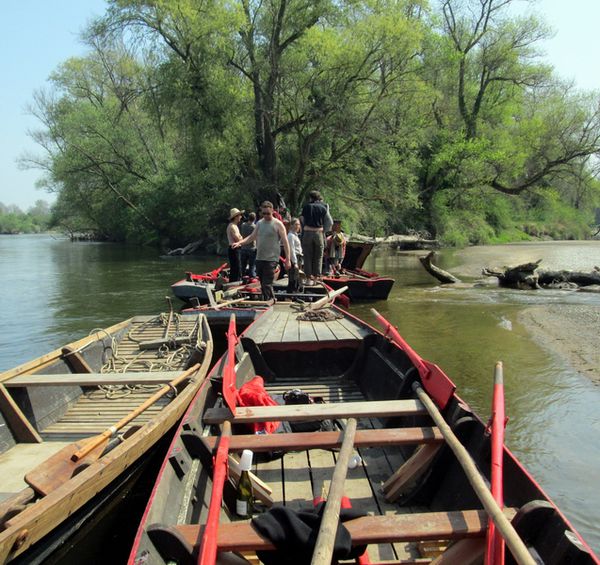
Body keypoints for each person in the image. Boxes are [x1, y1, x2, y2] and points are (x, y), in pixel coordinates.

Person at [233, 201, 291, 302]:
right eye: (264, 213)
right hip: (260, 257)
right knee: (263, 283)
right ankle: (269, 300)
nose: (266, 215)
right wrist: (240, 243)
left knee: (267, 283)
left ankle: (269, 301)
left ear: (272, 211)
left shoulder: (278, 224)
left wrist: (288, 260)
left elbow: (285, 242)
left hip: (272, 258)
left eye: (268, 213)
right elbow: (252, 237)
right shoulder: (259, 223)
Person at [299, 190, 328, 284]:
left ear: (310, 198)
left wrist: (304, 227)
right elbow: (329, 222)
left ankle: (308, 279)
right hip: (318, 233)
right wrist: (324, 229)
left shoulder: (307, 206)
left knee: (307, 256)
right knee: (318, 257)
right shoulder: (324, 207)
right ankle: (315, 279)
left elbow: (302, 219)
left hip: (307, 232)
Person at [226, 208, 244, 282]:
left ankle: (234, 282)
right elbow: (238, 239)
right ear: (236, 216)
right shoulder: (233, 226)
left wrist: (241, 238)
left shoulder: (233, 226)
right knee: (237, 268)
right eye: (240, 215)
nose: (241, 217)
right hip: (234, 248)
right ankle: (236, 282)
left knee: (235, 268)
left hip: (234, 248)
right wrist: (241, 238)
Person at [286, 217, 303, 293]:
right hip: (294, 258)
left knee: (297, 277)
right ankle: (291, 294)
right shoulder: (291, 236)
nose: (297, 226)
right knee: (293, 278)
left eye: (298, 224)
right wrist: (295, 262)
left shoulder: (295, 235)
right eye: (296, 224)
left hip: (298, 257)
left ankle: (295, 293)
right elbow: (291, 249)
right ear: (291, 225)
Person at [240, 212, 257, 278]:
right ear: (254, 219)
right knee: (252, 265)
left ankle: (242, 277)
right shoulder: (254, 227)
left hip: (243, 247)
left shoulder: (243, 225)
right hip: (252, 248)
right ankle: (252, 277)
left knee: (243, 265)